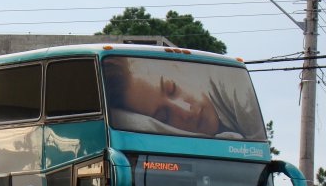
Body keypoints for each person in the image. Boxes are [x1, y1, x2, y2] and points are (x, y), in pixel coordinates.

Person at [102, 56, 266, 140]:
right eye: (164, 117)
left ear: (177, 67)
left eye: (172, 89)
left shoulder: (234, 85)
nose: (186, 111)